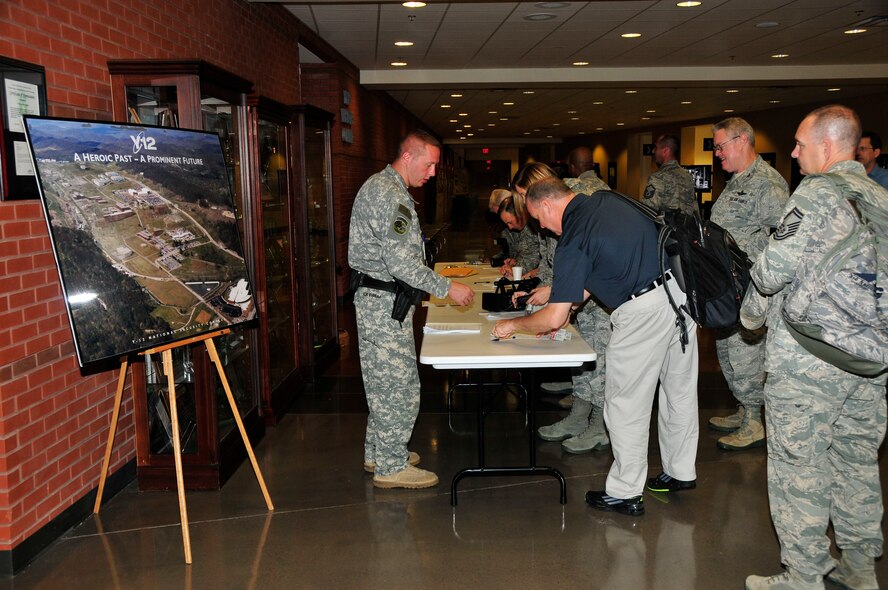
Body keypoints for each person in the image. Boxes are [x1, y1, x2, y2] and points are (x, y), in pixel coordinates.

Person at [493, 178, 699, 516]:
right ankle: (679, 471)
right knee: (678, 391)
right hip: (679, 295)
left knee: (624, 403)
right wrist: (569, 304)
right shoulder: (606, 200)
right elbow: (601, 269)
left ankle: (626, 491)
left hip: (642, 312)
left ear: (547, 205)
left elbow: (553, 319)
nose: (543, 229)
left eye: (539, 220)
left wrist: (513, 326)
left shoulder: (573, 235)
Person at [744, 106, 888, 590]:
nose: (794, 151)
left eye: (801, 144)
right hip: (870, 359)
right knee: (856, 461)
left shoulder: (816, 192)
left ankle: (803, 576)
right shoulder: (879, 195)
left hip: (809, 362)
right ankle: (860, 568)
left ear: (828, 147)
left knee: (798, 466)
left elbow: (770, 271)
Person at [348, 130, 474, 489]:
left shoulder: (381, 186)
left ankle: (379, 451)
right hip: (384, 305)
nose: (433, 172)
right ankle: (391, 465)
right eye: (429, 163)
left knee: (380, 383)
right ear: (408, 157)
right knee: (398, 386)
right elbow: (403, 265)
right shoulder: (392, 197)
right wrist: (449, 288)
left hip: (380, 302)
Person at [512, 163, 611, 453]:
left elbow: (597, 257)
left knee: (601, 362)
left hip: (600, 298)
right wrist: (540, 287)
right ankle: (579, 417)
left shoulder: (583, 197)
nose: (525, 203)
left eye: (525, 194)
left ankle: (600, 426)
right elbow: (549, 259)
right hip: (571, 296)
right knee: (581, 363)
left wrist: (556, 293)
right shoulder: (546, 211)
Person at [708, 117, 789, 451]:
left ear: (741, 141)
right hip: (727, 286)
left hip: (750, 288)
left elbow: (785, 240)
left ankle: (755, 421)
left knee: (746, 355)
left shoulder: (768, 184)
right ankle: (744, 409)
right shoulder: (737, 179)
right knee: (727, 352)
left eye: (719, 146)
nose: (716, 154)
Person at [642, 134, 699, 216]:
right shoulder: (687, 176)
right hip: (686, 228)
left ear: (665, 151)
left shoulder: (658, 178)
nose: (653, 151)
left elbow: (648, 211)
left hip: (664, 228)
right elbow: (695, 209)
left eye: (656, 148)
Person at [497, 195, 540, 277]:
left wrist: (513, 269)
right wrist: (514, 262)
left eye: (510, 222)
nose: (510, 227)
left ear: (519, 213)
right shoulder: (523, 228)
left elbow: (532, 259)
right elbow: (525, 254)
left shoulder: (533, 227)